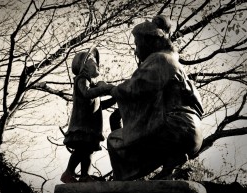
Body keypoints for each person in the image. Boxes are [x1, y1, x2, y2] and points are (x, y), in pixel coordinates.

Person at [107, 15, 204, 181]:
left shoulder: (161, 59)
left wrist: (110, 89)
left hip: (174, 126)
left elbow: (135, 88)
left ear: (148, 41)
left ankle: (123, 181)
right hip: (191, 131)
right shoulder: (172, 62)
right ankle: (170, 165)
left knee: (115, 140)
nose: (136, 50)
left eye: (137, 44)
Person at [61, 47, 115, 183]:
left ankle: (85, 175)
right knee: (81, 149)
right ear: (84, 66)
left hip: (91, 127)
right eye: (92, 61)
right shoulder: (82, 79)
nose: (97, 64)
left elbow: (99, 106)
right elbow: (86, 93)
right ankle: (68, 173)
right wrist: (104, 88)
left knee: (88, 150)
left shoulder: (93, 86)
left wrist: (115, 97)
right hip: (82, 125)